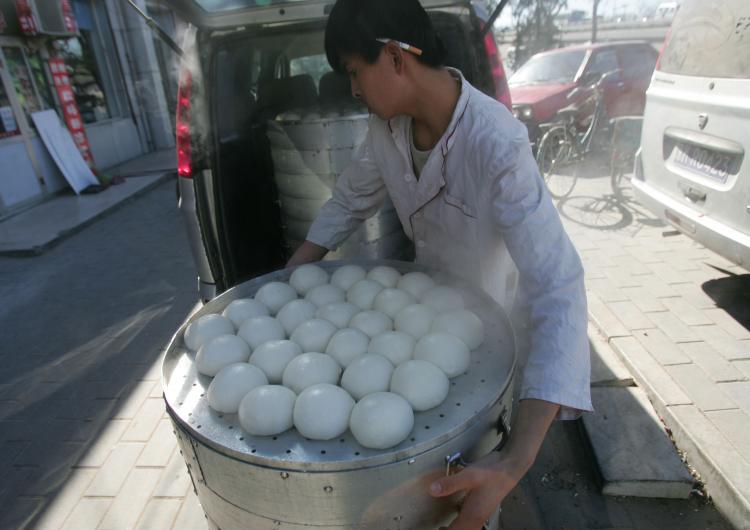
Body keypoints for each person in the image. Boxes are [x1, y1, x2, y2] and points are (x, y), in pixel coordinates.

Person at [287, 0, 592, 527]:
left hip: (489, 336)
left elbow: (558, 285)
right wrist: (290, 276)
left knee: (467, 490)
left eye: (355, 73)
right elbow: (350, 199)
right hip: (425, 313)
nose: (354, 90)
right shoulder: (388, 131)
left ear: (395, 57)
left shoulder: (494, 140)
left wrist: (516, 459)